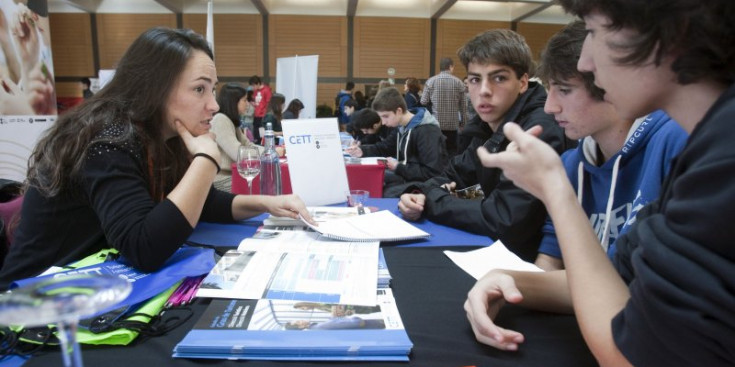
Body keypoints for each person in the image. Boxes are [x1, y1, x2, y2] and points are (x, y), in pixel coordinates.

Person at [465, 1, 735, 366]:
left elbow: (633, 355)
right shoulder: (708, 142)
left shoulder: (713, 151)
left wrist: (555, 190)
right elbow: (614, 279)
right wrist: (504, 278)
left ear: (670, 30)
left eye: (594, 30)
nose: (586, 61)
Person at [0, 27, 314, 290]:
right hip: (35, 303)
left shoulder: (162, 136)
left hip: (92, 287)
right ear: (156, 89)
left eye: (212, 90)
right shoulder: (105, 140)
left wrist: (267, 204)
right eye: (199, 90)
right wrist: (206, 159)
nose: (214, 105)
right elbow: (144, 248)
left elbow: (203, 204)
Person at [398, 29, 574, 261]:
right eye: (474, 79)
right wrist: (418, 193)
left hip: (530, 265)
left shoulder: (537, 129)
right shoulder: (487, 125)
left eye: (498, 78)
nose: (484, 91)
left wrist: (433, 201)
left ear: (522, 82)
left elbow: (504, 218)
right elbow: (453, 173)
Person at [532, 21, 688, 271]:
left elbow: (635, 282)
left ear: (608, 83)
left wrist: (523, 284)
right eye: (548, 89)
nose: (550, 107)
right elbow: (551, 255)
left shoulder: (673, 141)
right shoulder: (570, 164)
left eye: (564, 90)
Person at [346, 87, 448, 198]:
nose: (383, 122)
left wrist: (398, 167)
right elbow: (385, 147)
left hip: (426, 184)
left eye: (386, 116)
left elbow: (432, 173)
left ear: (399, 111)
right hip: (407, 175)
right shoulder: (402, 127)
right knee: (371, 177)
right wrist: (362, 151)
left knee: (382, 191)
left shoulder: (427, 131)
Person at [209, 82, 264, 192]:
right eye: (244, 100)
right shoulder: (221, 120)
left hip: (234, 175)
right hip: (222, 180)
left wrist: (270, 151)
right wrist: (267, 153)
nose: (248, 104)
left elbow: (248, 144)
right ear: (233, 102)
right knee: (263, 185)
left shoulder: (231, 121)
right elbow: (238, 153)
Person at [420, 57, 468, 157]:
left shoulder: (431, 81)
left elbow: (423, 101)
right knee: (452, 152)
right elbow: (464, 106)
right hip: (453, 125)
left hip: (436, 124)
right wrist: (463, 123)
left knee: (437, 152)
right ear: (450, 67)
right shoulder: (459, 82)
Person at [248, 75, 272, 143]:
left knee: (262, 133)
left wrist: (265, 113)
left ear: (258, 83)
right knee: (256, 133)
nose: (253, 87)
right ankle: (257, 144)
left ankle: (262, 144)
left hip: (263, 115)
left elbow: (268, 103)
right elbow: (257, 102)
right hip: (256, 115)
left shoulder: (266, 90)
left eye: (253, 85)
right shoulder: (255, 91)